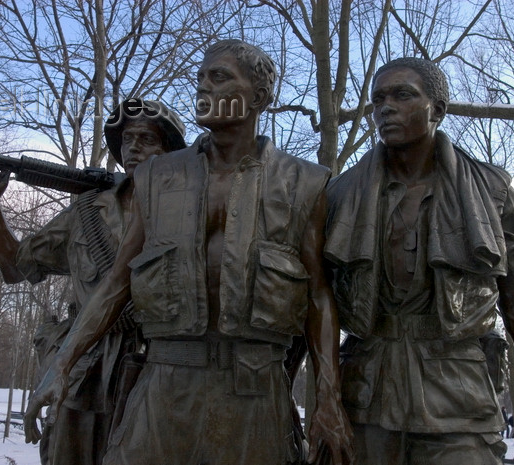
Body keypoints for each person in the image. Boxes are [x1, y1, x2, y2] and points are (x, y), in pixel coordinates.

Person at [23, 39, 353, 465]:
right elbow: (117, 283)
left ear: (259, 95)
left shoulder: (304, 182)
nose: (203, 88)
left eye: (219, 77)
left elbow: (319, 295)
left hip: (254, 392)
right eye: (199, 77)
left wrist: (329, 397)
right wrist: (62, 365)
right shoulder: (158, 178)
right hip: (165, 386)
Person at [324, 57, 514, 464]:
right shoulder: (340, 195)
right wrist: (320, 399)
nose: (385, 107)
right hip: (366, 393)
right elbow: (316, 302)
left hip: (459, 394)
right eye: (378, 98)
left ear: (438, 109)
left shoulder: (492, 190)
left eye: (403, 95)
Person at [0, 98, 186, 465]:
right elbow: (13, 268)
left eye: (148, 139)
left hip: (156, 372)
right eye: (128, 138)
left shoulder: (189, 213)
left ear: (170, 151)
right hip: (82, 376)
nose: (134, 146)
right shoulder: (86, 212)